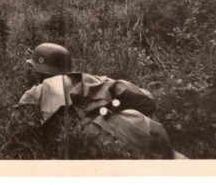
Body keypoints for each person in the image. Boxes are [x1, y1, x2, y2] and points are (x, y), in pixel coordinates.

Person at [14, 42, 185, 159]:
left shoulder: (35, 93)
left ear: (39, 72)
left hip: (94, 144)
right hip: (137, 128)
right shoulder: (90, 79)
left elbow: (18, 129)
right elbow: (146, 100)